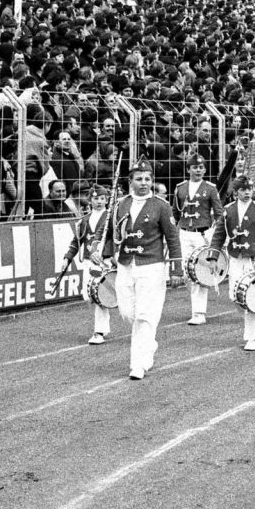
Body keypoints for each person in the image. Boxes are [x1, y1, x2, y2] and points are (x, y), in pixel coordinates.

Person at [99, 160, 182, 380]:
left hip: (151, 266)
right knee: (128, 313)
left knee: (145, 315)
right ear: (130, 182)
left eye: (147, 179)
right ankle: (149, 342)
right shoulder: (120, 205)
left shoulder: (161, 206)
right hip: (126, 264)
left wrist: (176, 269)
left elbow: (173, 238)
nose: (144, 183)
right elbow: (110, 232)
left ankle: (139, 364)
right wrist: (102, 253)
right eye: (139, 179)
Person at [209, 176, 255, 351]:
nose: (247, 193)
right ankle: (249, 322)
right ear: (235, 192)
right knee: (235, 296)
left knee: (251, 298)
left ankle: (252, 337)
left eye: (250, 189)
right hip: (235, 259)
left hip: (254, 259)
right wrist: (212, 258)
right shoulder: (228, 211)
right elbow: (219, 235)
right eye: (243, 190)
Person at [171, 154, 224, 325]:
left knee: (200, 272)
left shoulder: (210, 188)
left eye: (201, 167)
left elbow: (218, 213)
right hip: (185, 233)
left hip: (203, 234)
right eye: (195, 167)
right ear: (188, 169)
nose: (198, 170)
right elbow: (175, 212)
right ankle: (196, 306)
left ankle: (199, 312)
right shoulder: (180, 188)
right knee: (187, 272)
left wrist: (215, 232)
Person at [64, 185, 113, 345]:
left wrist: (106, 254)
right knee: (88, 296)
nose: (99, 201)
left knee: (98, 295)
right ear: (90, 200)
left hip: (103, 261)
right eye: (96, 198)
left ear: (106, 200)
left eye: (102, 198)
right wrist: (67, 258)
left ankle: (99, 331)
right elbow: (76, 242)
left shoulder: (110, 217)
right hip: (87, 261)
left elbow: (113, 239)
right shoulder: (84, 220)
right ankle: (102, 327)